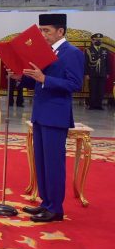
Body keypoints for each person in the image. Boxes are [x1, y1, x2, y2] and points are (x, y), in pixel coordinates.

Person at [14, 13, 84, 223]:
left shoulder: (72, 53)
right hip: (40, 113)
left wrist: (45, 78)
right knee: (41, 162)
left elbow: (75, 84)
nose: (43, 35)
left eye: (47, 31)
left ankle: (56, 208)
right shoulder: (44, 51)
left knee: (54, 163)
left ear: (60, 31)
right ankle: (45, 203)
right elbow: (37, 82)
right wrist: (21, 78)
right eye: (41, 30)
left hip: (56, 115)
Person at [85, 33, 109, 110]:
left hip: (102, 73)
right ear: (92, 40)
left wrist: (108, 72)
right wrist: (86, 73)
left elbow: (107, 62)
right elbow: (85, 63)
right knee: (93, 89)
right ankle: (92, 105)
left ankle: (99, 105)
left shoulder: (105, 50)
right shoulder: (88, 50)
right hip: (92, 73)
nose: (98, 41)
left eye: (100, 40)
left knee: (101, 90)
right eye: (96, 40)